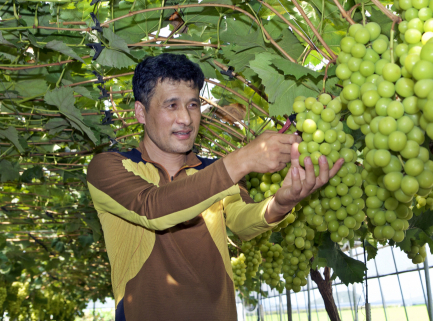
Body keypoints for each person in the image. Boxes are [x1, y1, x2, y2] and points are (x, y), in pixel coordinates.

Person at [86, 53, 344, 321]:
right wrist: (241, 160)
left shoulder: (214, 172)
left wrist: (281, 203)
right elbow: (151, 209)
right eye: (171, 105)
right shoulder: (110, 167)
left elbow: (243, 223)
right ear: (141, 112)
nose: (186, 118)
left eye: (193, 104)